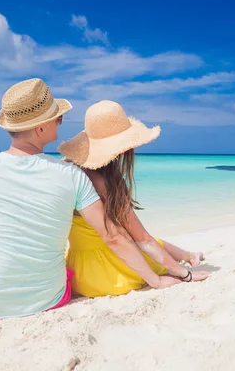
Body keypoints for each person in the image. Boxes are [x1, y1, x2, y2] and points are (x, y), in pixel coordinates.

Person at [0, 79, 182, 321]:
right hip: (52, 298)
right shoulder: (71, 175)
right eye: (58, 118)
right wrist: (156, 280)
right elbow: (113, 236)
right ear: (40, 128)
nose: (61, 122)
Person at [58, 100, 209, 298]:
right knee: (146, 241)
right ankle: (189, 258)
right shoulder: (102, 182)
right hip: (109, 273)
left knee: (140, 239)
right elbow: (143, 239)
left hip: (79, 272)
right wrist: (186, 275)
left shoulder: (68, 170)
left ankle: (190, 255)